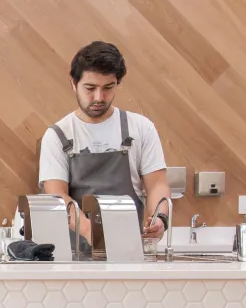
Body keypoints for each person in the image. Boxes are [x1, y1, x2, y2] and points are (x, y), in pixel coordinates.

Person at [38, 41, 171, 248]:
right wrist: (91, 232)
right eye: (90, 88)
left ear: (117, 83)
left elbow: (157, 184)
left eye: (108, 88)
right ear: (74, 83)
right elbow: (57, 195)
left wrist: (160, 219)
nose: (99, 97)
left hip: (130, 252)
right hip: (74, 256)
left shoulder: (142, 128)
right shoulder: (57, 135)